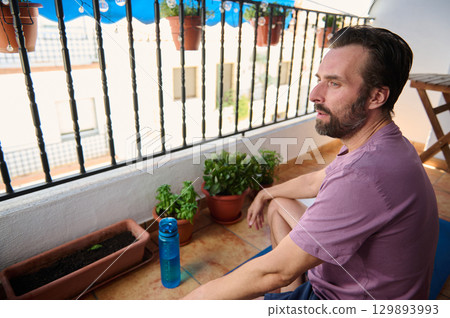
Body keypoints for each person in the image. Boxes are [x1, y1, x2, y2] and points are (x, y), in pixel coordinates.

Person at [183, 26, 439, 300]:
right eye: (319, 79)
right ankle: (290, 295)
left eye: (334, 83)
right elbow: (316, 180)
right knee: (278, 206)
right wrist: (267, 192)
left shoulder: (364, 174)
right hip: (355, 282)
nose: (315, 94)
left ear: (377, 96)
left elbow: (274, 272)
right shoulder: (385, 142)